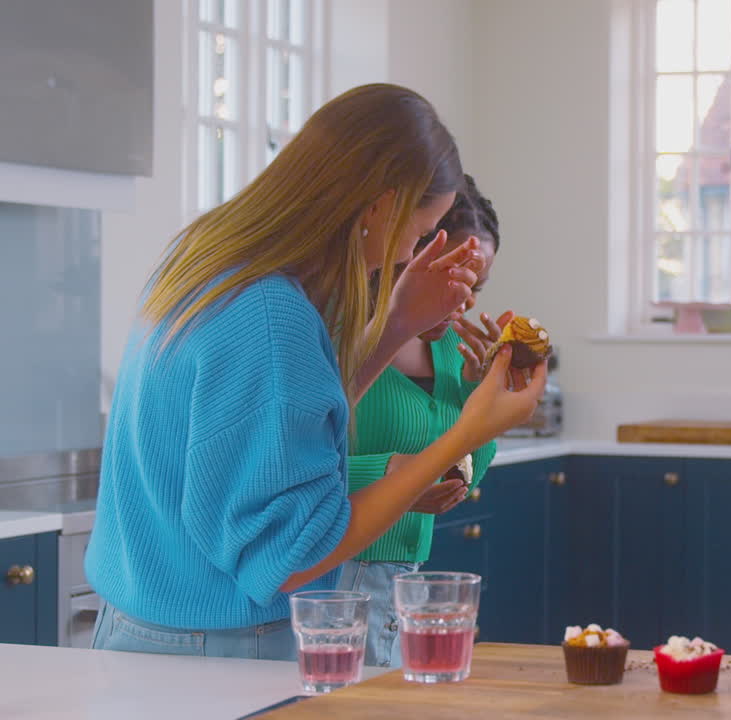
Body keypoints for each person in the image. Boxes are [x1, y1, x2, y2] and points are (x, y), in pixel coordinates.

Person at [86, 84, 546, 659]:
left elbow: (283, 442)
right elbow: (294, 553)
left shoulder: (210, 258)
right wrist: (465, 434)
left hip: (143, 632)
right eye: (418, 231)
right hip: (219, 649)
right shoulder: (271, 316)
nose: (409, 253)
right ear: (380, 204)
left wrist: (399, 324)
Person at [338, 174, 509, 667]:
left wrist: (483, 398)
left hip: (403, 583)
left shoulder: (450, 349)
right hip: (332, 580)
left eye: (476, 286)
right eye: (452, 279)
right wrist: (394, 474)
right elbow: (287, 473)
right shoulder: (337, 333)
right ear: (406, 255)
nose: (465, 302)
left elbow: (467, 464)